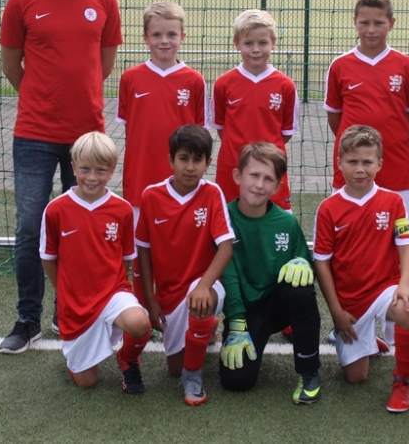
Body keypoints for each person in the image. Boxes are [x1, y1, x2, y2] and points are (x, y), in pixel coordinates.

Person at [0, 0, 123, 353]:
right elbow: (11, 65)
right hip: (33, 134)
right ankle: (28, 318)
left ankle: (70, 310)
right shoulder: (21, 0)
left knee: (82, 229)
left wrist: (73, 101)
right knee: (30, 228)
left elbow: (103, 65)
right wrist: (42, 97)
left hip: (87, 139)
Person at [323, 0, 409, 349]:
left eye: (378, 22)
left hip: (396, 174)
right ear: (355, 23)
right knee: (348, 250)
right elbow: (336, 121)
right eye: (364, 22)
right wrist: (358, 160)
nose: (371, 29)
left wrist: (382, 151)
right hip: (350, 179)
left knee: (398, 244)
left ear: (391, 24)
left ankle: (393, 328)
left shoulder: (406, 66)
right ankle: (348, 318)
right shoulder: (340, 66)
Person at [313, 125, 409, 413]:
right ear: (339, 163)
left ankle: (403, 381)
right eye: (352, 161)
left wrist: (404, 285)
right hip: (350, 302)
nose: (360, 169)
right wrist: (336, 312)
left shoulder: (393, 201)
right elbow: (322, 263)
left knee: (408, 311)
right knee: (356, 377)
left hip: (385, 287)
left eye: (367, 162)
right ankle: (367, 339)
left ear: (379, 164)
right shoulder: (328, 208)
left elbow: (406, 247)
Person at [39, 132, 153, 393]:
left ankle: (128, 359)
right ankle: (78, 361)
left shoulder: (122, 209)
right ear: (73, 168)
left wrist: (116, 289)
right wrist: (64, 292)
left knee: (140, 323)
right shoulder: (56, 210)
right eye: (85, 169)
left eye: (100, 170)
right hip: (76, 303)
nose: (92, 177)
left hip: (112, 293)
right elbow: (48, 259)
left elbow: (125, 260)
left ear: (112, 171)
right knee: (87, 382)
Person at [136, 125, 235, 406]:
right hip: (169, 294)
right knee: (173, 369)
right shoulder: (151, 196)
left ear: (208, 163)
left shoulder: (212, 193)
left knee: (200, 302)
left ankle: (193, 377)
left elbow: (226, 247)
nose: (190, 167)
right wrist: (150, 301)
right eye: (184, 158)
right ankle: (204, 330)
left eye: (198, 160)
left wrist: (204, 285)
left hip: (204, 284)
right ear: (171, 160)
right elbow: (143, 252)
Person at [115, 1, 207, 304]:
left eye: (171, 34)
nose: (164, 41)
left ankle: (180, 309)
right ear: (145, 37)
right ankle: (142, 310)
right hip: (140, 182)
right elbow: (130, 129)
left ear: (183, 36)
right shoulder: (130, 78)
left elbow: (199, 136)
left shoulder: (194, 81)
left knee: (182, 250)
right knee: (140, 251)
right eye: (156, 35)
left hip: (183, 185)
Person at [218, 142, 322, 404]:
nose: (259, 185)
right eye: (253, 175)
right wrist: (236, 322)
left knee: (301, 287)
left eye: (268, 179)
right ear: (238, 176)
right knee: (236, 381)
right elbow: (227, 275)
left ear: (277, 187)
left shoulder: (286, 222)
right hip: (245, 311)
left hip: (277, 303)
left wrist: (302, 262)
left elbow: (305, 263)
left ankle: (309, 370)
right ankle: (237, 333)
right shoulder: (223, 219)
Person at [210, 9, 299, 212]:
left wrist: (265, 153)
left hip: (271, 168)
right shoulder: (223, 84)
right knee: (229, 224)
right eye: (248, 43)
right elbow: (221, 128)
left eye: (263, 43)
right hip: (233, 167)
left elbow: (286, 133)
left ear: (273, 43)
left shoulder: (285, 85)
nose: (256, 49)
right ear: (237, 43)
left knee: (275, 223)